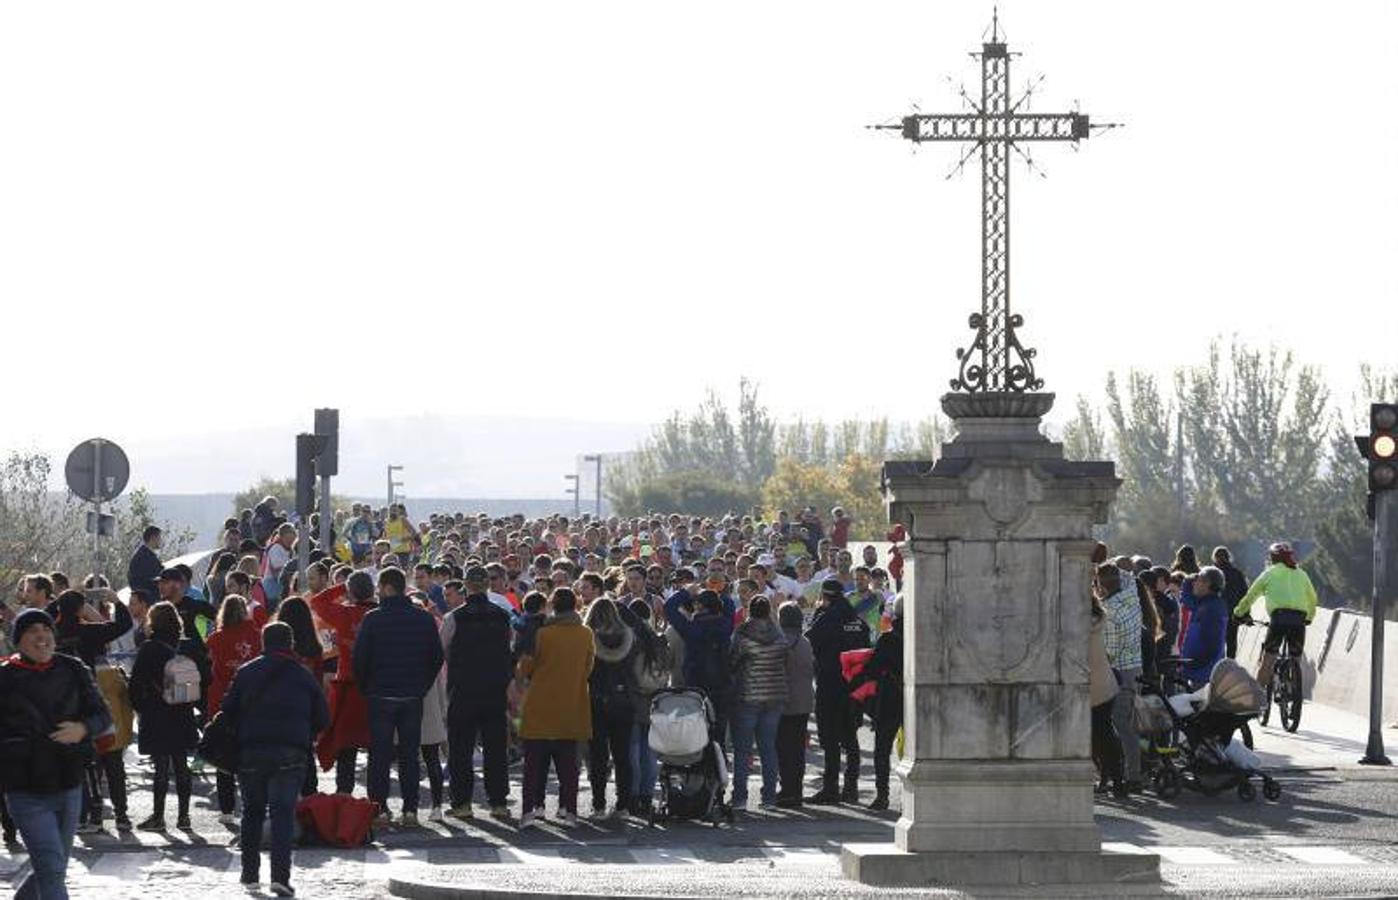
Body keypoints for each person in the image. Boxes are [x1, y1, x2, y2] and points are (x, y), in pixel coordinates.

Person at [0, 608, 112, 900]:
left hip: (69, 782)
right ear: (19, 640)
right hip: (25, 788)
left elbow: (103, 715)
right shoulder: (5, 677)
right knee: (50, 866)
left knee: (54, 867)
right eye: (33, 631)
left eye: (46, 630)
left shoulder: (73, 668)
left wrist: (83, 728)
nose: (42, 637)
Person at [220, 621, 330, 898]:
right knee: (283, 814)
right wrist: (304, 731)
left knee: (252, 813)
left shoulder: (247, 672)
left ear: (263, 643)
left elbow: (228, 710)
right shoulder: (303, 675)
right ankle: (280, 878)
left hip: (252, 750)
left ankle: (250, 875)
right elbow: (322, 717)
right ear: (290, 644)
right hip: (290, 751)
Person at [352, 567, 444, 827]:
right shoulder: (424, 619)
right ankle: (410, 810)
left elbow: (359, 659)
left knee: (379, 756)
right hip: (412, 695)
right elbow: (436, 657)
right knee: (409, 755)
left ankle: (379, 809)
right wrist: (422, 685)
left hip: (380, 695)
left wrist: (366, 687)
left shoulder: (373, 619)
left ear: (387, 587)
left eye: (379, 588)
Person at [53, 589, 133, 834]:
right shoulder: (89, 632)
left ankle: (91, 816)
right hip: (96, 701)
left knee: (85, 763)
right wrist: (116, 601)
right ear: (80, 609)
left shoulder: (53, 635)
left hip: (67, 705)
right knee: (112, 758)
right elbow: (123, 624)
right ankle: (121, 816)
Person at [438, 566, 514, 820]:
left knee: (461, 749)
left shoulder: (454, 618)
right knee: (495, 749)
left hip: (463, 688)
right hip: (494, 688)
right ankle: (498, 802)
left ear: (467, 587)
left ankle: (462, 803)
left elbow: (442, 649)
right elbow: (510, 647)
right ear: (486, 586)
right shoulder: (503, 615)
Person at [517, 588, 594, 828]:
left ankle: (530, 810)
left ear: (552, 606)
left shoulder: (543, 633)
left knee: (533, 765)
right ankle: (569, 810)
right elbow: (589, 667)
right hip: (572, 704)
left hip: (539, 705)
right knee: (569, 767)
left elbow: (525, 667)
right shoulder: (585, 634)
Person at [129, 601, 200, 830]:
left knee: (161, 766)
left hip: (158, 712)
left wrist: (141, 707)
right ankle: (184, 817)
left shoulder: (150, 648)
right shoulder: (185, 646)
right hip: (182, 712)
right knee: (181, 765)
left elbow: (136, 684)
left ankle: (158, 817)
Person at [310, 573, 377, 794]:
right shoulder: (379, 613)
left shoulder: (345, 613)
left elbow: (317, 602)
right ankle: (379, 800)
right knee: (377, 748)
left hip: (349, 686)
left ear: (351, 592)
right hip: (376, 688)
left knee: (346, 747)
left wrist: (342, 588)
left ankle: (344, 795)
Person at [805, 578, 870, 803]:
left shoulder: (826, 619)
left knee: (830, 738)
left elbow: (808, 641)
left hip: (830, 685)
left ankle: (830, 787)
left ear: (825, 597)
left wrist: (817, 615)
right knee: (851, 738)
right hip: (853, 687)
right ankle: (851, 787)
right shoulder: (858, 622)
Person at [206, 595, 263, 825]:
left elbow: (209, 667)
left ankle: (227, 809)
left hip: (221, 700)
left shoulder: (215, 639)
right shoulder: (257, 636)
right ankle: (252, 802)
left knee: (224, 755)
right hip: (251, 701)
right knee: (251, 755)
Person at [727, 595, 788, 810]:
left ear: (749, 611)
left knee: (742, 751)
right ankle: (769, 797)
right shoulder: (779, 635)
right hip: (775, 696)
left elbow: (732, 662)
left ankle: (740, 798)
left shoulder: (742, 635)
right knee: (768, 749)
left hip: (747, 696)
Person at [1233, 542, 1318, 691]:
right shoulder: (1302, 574)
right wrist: (1309, 617)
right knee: (1295, 657)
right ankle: (1292, 690)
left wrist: (1238, 613)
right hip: (1299, 619)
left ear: (1272, 558)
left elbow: (1251, 596)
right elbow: (1312, 598)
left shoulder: (1269, 573)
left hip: (1278, 618)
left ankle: (1257, 700)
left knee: (1268, 660)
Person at [584, 594, 638, 818]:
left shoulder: (588, 637)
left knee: (598, 756)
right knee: (622, 755)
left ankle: (598, 804)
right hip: (624, 701)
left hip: (595, 700)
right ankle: (623, 804)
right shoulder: (628, 636)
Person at [663, 589, 734, 743]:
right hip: (722, 681)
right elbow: (730, 606)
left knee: (698, 729)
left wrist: (686, 592)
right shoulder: (726, 626)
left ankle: (701, 761)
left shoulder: (691, 628)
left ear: (700, 607)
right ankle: (719, 759)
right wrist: (721, 590)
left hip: (696, 682)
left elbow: (669, 607)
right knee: (719, 729)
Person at [272, 596, 326, 797]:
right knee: (306, 755)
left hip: (279, 706)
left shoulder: (277, 647)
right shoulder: (314, 647)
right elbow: (318, 682)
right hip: (305, 707)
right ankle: (309, 796)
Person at [1096, 563, 1143, 792]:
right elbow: (1125, 574)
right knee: (1127, 723)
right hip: (1135, 666)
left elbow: (1110, 654)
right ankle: (1130, 771)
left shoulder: (1111, 612)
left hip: (1120, 672)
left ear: (1102, 587)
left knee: (1121, 724)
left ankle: (1132, 776)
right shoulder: (1131, 597)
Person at [625, 597, 670, 816]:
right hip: (654, 699)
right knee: (650, 753)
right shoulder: (657, 640)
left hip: (632, 700)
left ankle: (632, 794)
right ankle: (646, 795)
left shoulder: (629, 641)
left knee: (632, 751)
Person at [862, 595, 903, 810]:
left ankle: (882, 795)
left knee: (882, 749)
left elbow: (872, 669)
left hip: (890, 697)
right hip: (916, 699)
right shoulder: (923, 634)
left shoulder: (888, 638)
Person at [774, 601, 813, 809]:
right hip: (804, 701)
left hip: (784, 701)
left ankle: (787, 790)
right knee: (797, 748)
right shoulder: (805, 641)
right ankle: (795, 789)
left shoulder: (780, 642)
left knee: (783, 748)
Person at [1088, 591, 1124, 797]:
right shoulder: (1098, 620)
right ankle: (1115, 779)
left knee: (1099, 737)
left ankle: (1111, 779)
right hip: (1105, 685)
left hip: (1093, 689)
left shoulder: (1080, 625)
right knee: (1105, 735)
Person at [1180, 566, 1229, 687]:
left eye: (1198, 579)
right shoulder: (1205, 603)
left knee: (1199, 705)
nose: (1194, 583)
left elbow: (1212, 644)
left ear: (1207, 583)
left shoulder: (1211, 609)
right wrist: (1189, 579)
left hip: (1203, 674)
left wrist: (1193, 664)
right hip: (1199, 671)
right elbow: (1186, 597)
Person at [1213, 547, 1250, 660]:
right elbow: (1244, 596)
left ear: (1215, 558)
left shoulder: (1211, 574)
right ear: (1228, 558)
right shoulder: (1237, 574)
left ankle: (1215, 668)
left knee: (1215, 643)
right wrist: (1245, 614)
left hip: (1214, 614)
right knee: (1231, 642)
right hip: (1233, 614)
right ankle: (1230, 667)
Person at [127, 526, 163, 613]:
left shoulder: (145, 555)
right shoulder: (145, 557)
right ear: (153, 538)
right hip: (146, 603)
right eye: (159, 538)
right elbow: (150, 579)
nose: (160, 541)